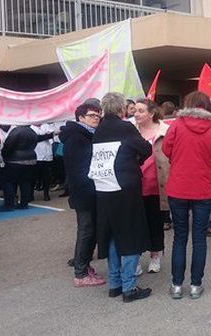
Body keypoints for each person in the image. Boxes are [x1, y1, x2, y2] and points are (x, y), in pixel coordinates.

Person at [163, 91, 211, 299]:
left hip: (178, 187)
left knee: (179, 237)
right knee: (199, 237)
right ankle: (195, 285)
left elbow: (166, 149)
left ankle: (176, 285)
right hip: (203, 188)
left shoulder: (177, 124)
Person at [89, 92, 152, 303]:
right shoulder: (125, 127)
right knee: (130, 234)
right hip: (125, 188)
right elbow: (145, 148)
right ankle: (129, 287)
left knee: (112, 234)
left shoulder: (99, 130)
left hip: (103, 188)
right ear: (120, 109)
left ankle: (115, 284)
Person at [59, 103, 105, 287]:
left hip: (86, 191)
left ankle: (84, 266)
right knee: (87, 231)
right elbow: (81, 170)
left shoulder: (84, 135)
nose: (96, 118)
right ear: (81, 117)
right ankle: (81, 272)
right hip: (85, 192)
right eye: (92, 115)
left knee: (89, 230)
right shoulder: (78, 137)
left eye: (98, 115)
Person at [134, 98, 170, 274]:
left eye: (141, 110)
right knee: (136, 224)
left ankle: (155, 255)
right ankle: (136, 258)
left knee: (155, 223)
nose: (136, 114)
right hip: (135, 185)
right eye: (134, 110)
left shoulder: (166, 130)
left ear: (151, 113)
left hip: (158, 184)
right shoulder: (131, 130)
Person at [0, 125, 38, 211]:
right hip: (30, 159)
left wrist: (5, 156)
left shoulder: (16, 131)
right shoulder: (32, 131)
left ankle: (9, 204)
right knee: (25, 182)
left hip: (14, 160)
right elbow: (36, 142)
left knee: (9, 182)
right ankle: (24, 204)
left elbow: (8, 146)